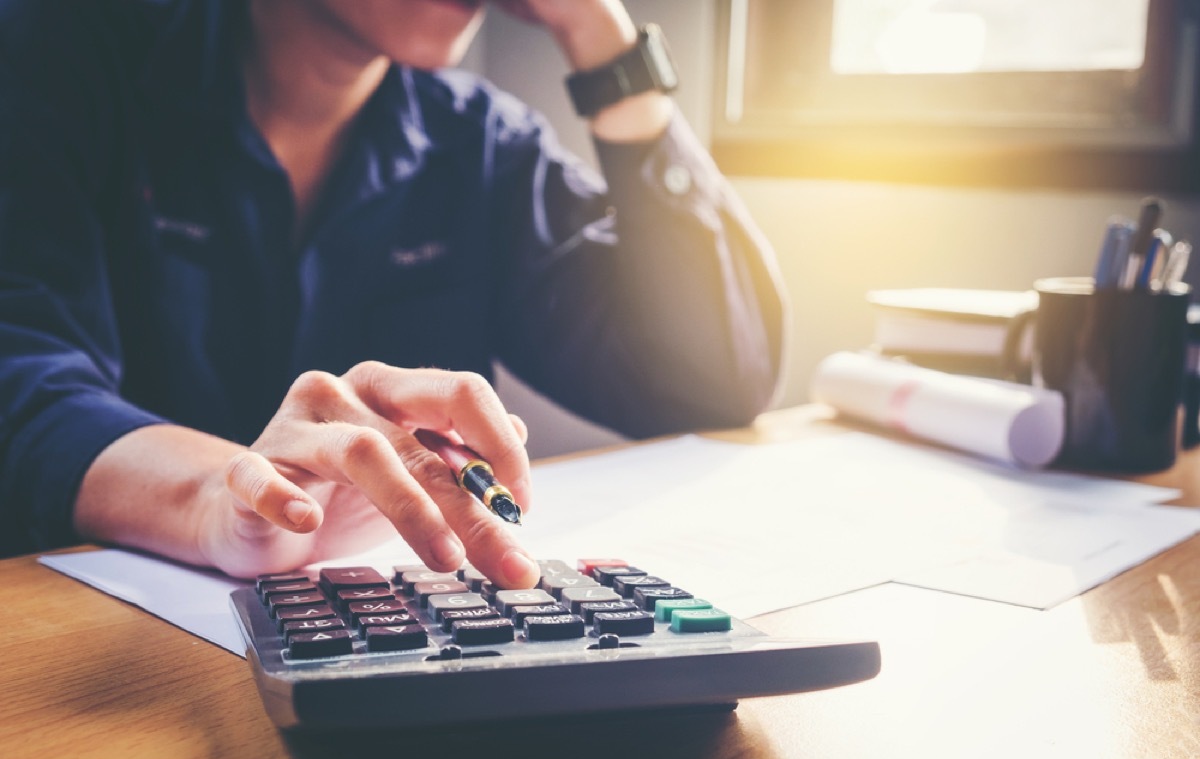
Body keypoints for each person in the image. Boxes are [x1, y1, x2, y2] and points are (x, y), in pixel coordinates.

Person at [0, 0, 788, 588]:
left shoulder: (479, 146)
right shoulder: (58, 52)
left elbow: (714, 381)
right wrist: (225, 496)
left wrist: (603, 38)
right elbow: (22, 372)